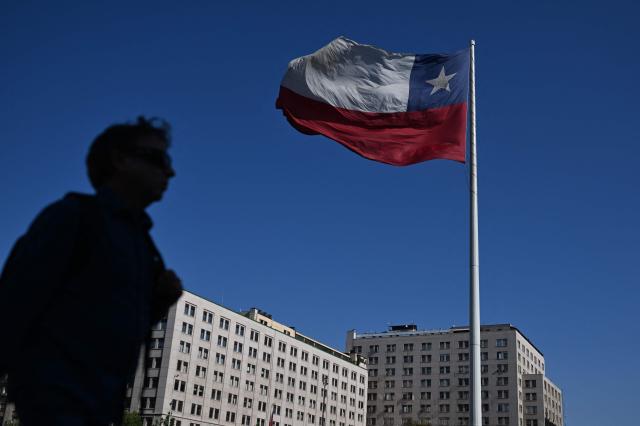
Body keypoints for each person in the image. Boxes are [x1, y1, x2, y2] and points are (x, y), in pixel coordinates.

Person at [0, 116, 183, 425]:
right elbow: (13, 307)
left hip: (102, 406)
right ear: (120, 160)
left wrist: (158, 303)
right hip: (57, 402)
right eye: (158, 159)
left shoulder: (142, 244)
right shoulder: (73, 219)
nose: (169, 171)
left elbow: (114, 322)